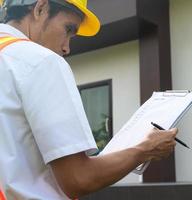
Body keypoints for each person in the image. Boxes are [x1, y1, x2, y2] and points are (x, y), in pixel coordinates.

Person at [0, 0, 178, 199]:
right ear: (40, 8)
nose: (66, 48)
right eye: (68, 29)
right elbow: (78, 179)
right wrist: (144, 149)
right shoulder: (41, 61)